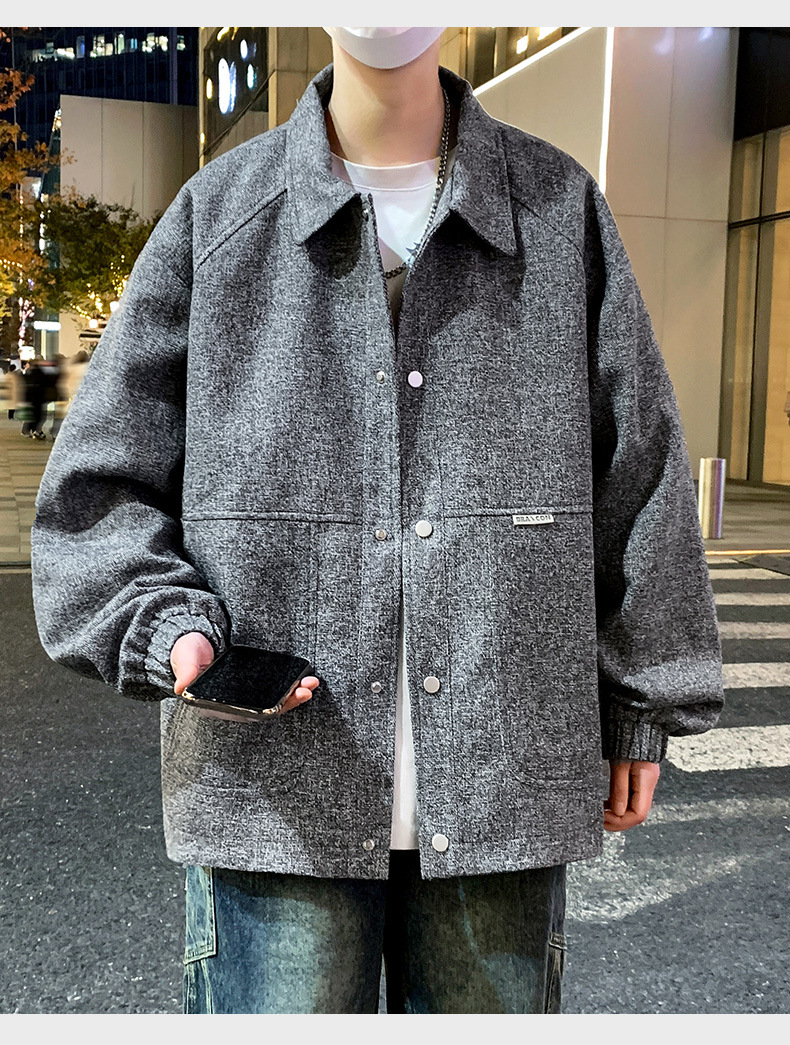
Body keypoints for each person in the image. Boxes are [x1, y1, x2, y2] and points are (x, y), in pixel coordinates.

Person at [30, 27, 725, 1014]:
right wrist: (166, 623)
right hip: (271, 793)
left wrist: (641, 704)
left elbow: (638, 467)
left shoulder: (555, 208)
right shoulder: (219, 216)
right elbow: (95, 489)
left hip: (505, 786)